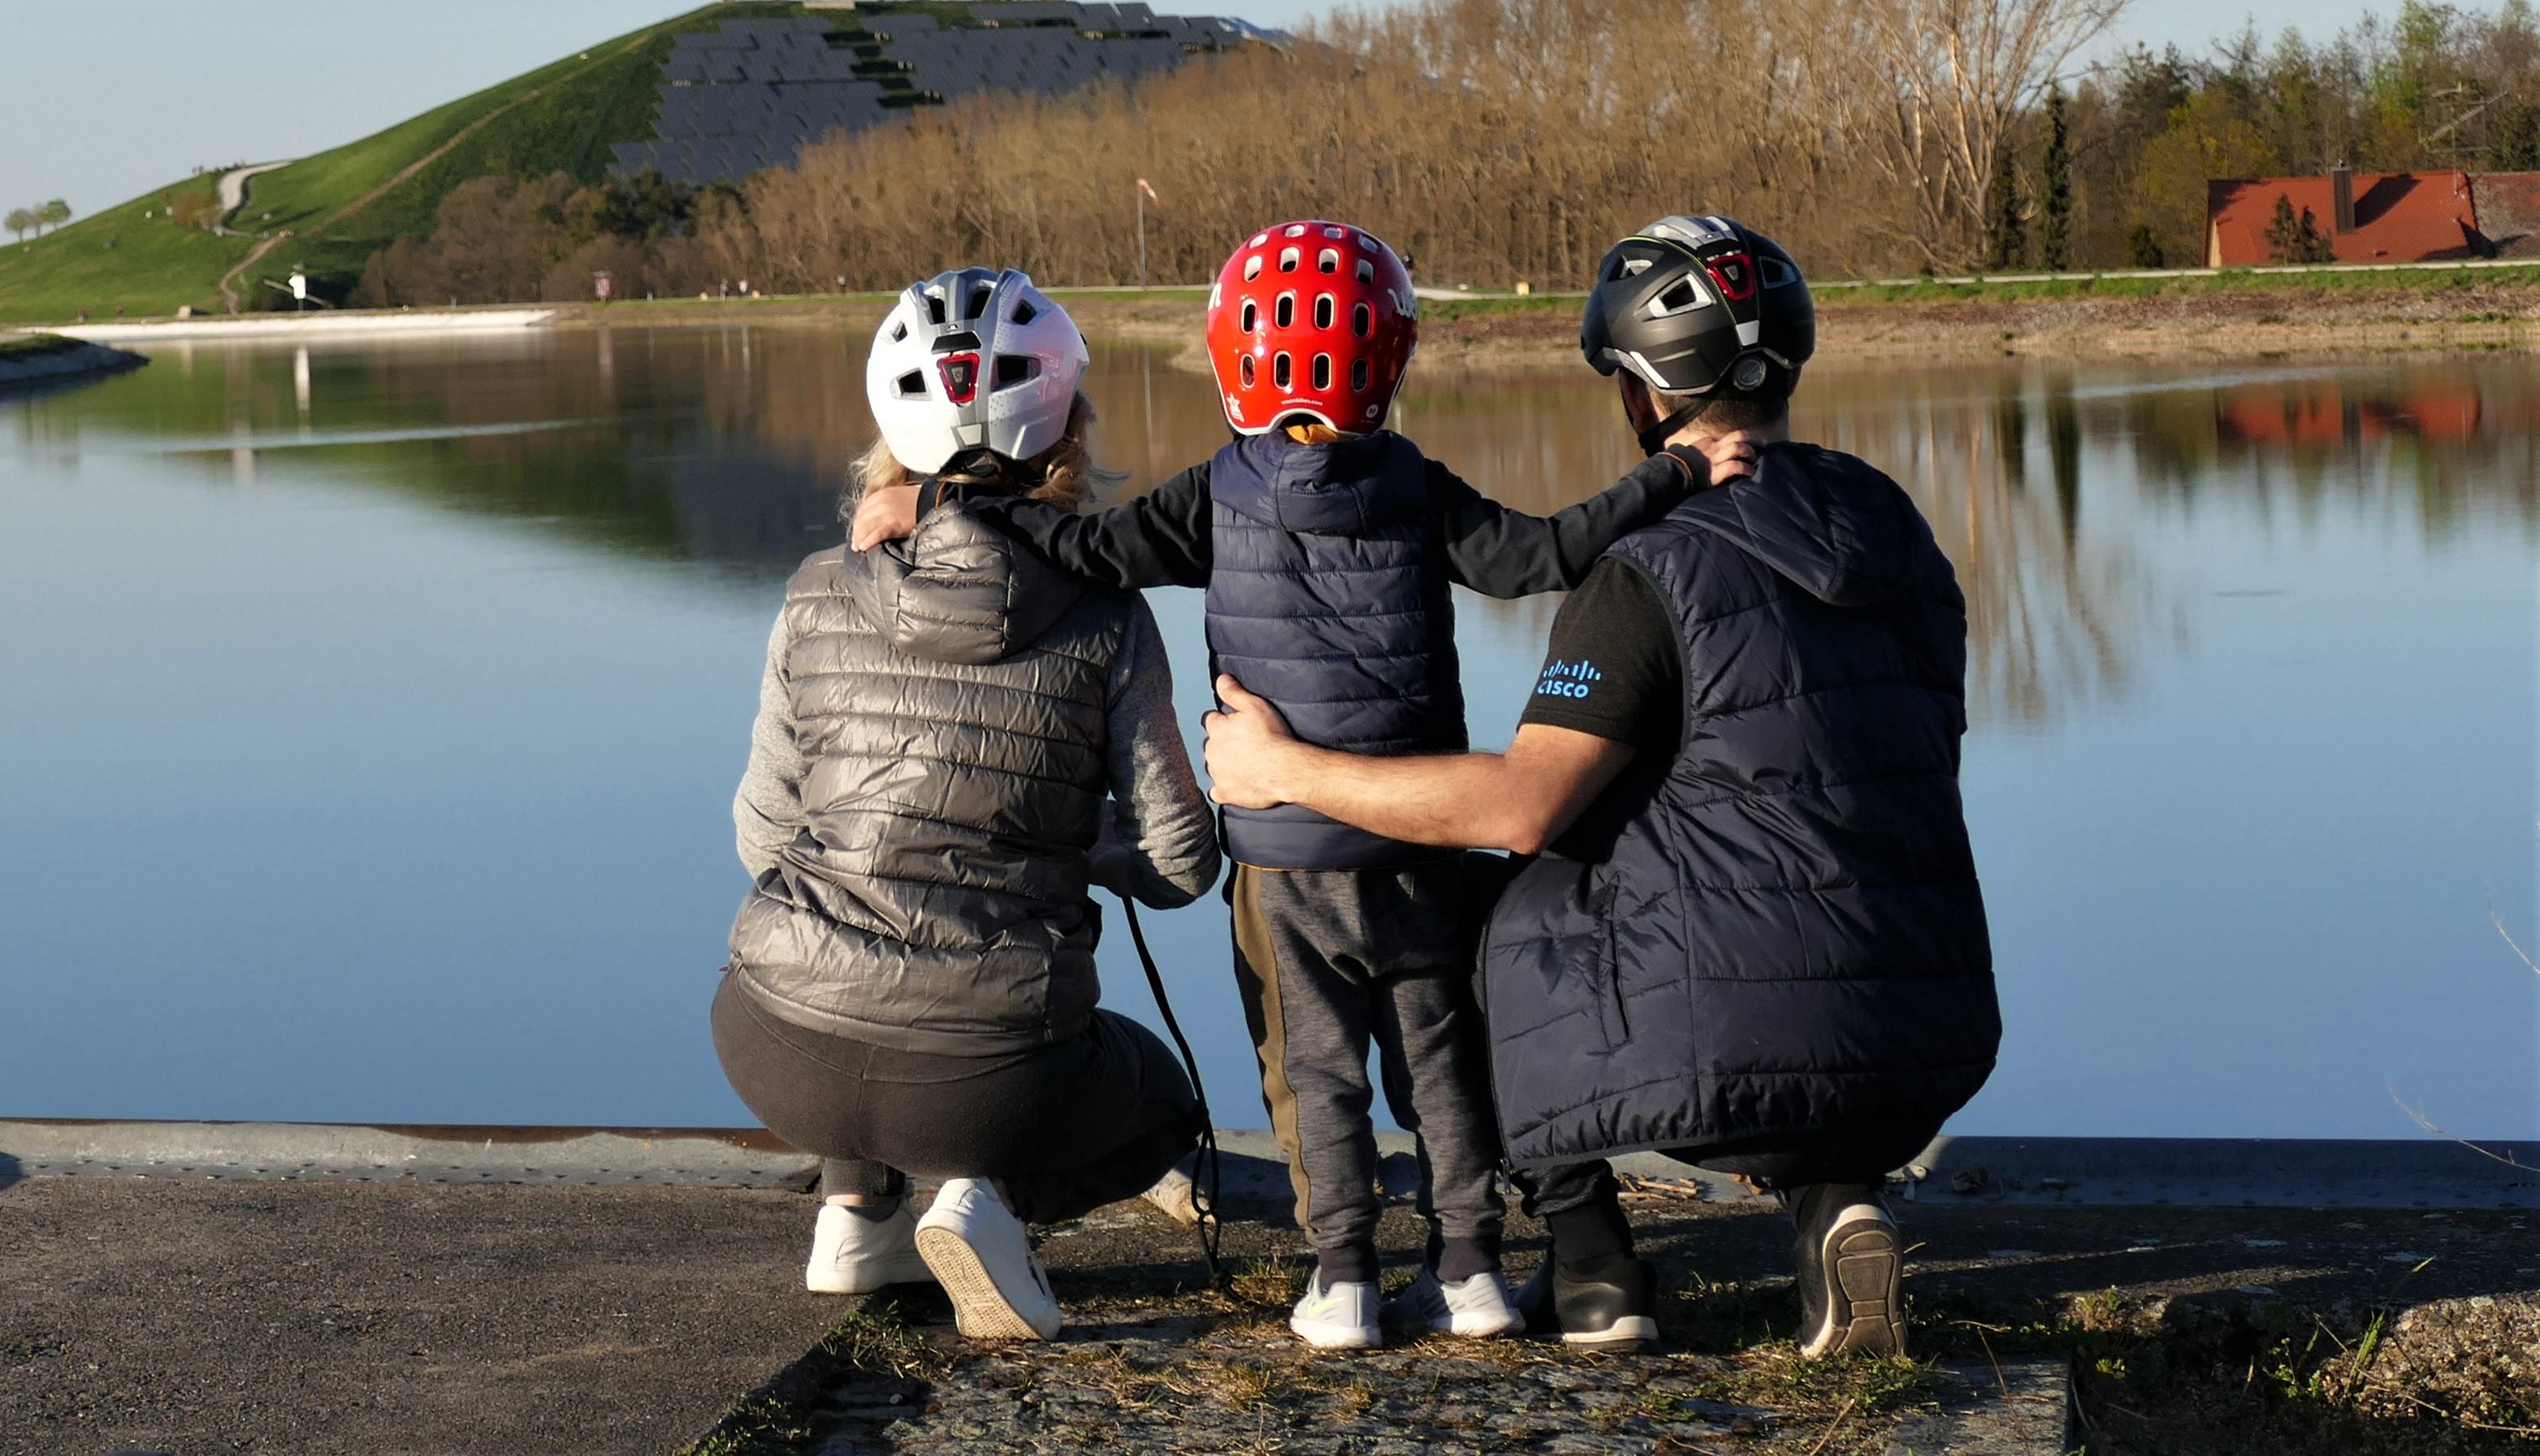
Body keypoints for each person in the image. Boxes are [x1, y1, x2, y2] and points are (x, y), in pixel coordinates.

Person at [857, 219, 1712, 1351]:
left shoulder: (1213, 492)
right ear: (1388, 364)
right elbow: (1543, 556)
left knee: (1311, 1073)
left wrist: (939, 504)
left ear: (1229, 361)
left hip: (1279, 855)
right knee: (1442, 1064)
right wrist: (1673, 473)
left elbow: (1079, 551)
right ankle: (1469, 1271)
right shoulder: (1411, 482)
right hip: (1416, 844)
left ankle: (1344, 1276)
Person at [1201, 214, 1999, 1361]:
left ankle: (1592, 1268)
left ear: (1640, 394)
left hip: (1730, 1042)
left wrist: (1281, 770)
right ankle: (1835, 1201)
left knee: (1482, 908)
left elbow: (1518, 805)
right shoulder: (1893, 525)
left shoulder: (1648, 567)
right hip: (1922, 1031)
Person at [718, 266, 1222, 1342]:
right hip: (988, 1076)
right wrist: (1075, 839)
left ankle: (852, 1214)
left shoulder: (813, 588)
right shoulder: (1104, 614)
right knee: (1162, 1102)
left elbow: (762, 836)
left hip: (770, 1043)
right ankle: (988, 1204)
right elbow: (1181, 864)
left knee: (855, 947)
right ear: (1065, 430)